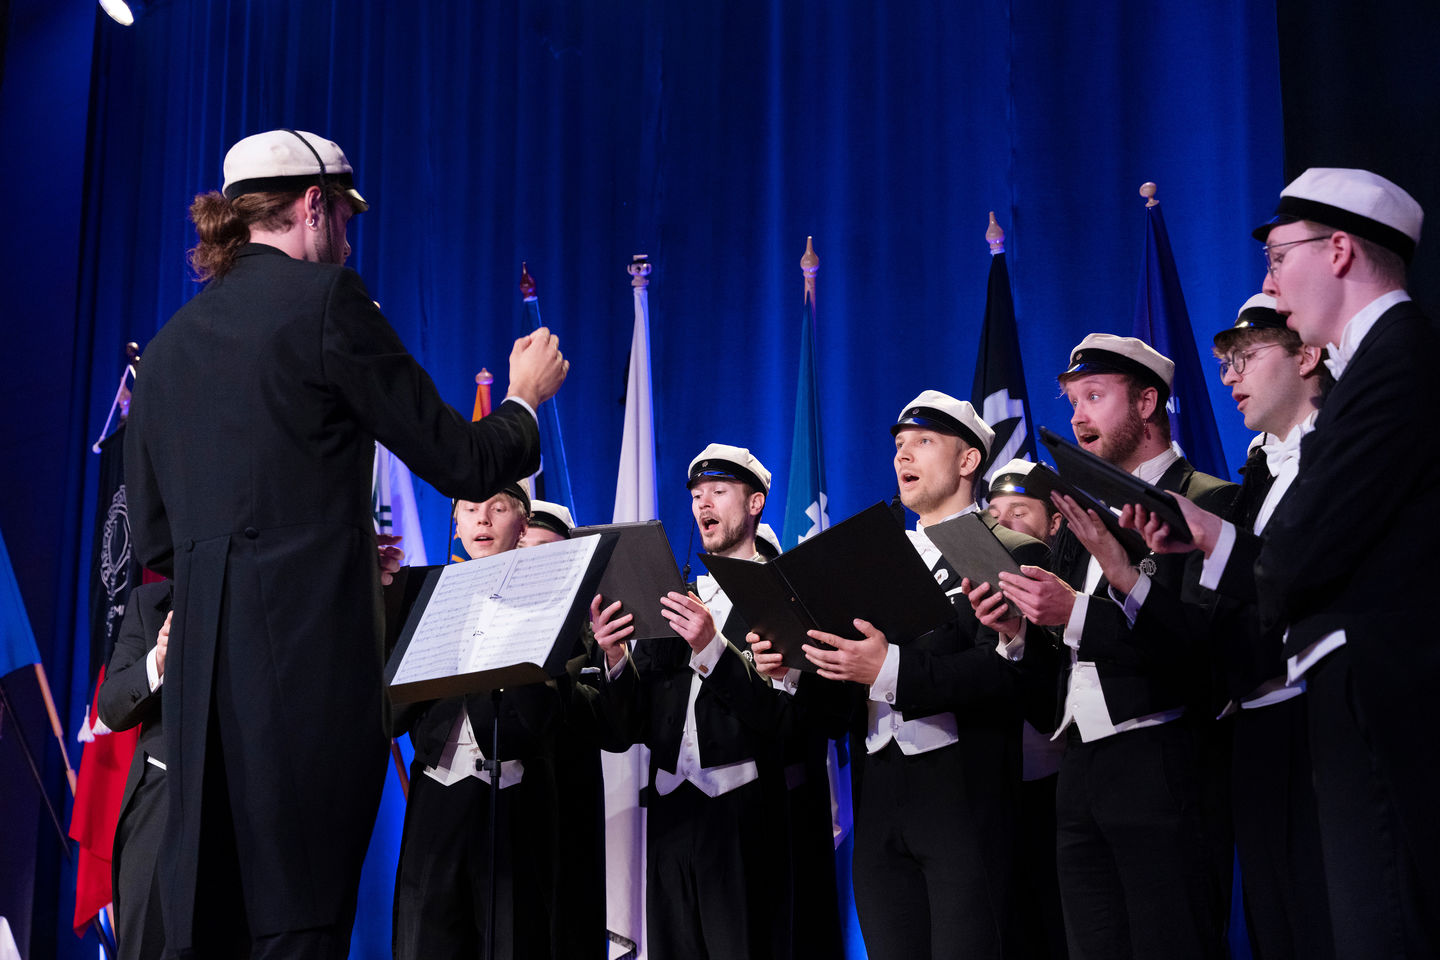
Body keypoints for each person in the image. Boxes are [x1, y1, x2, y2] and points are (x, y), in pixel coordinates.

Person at [124, 128, 567, 959]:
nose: (349, 241)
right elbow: (465, 463)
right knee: (299, 928)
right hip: (302, 685)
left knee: (212, 933)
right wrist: (524, 399)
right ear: (315, 207)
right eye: (345, 217)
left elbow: (156, 536)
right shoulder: (328, 302)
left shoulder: (171, 347)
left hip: (196, 701)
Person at [1126, 168, 1439, 959]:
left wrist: (1228, 550)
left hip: (1372, 684)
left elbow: (1302, 548)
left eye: (1277, 257)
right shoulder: (1379, 363)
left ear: (1338, 250)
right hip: (1345, 688)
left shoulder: (1395, 359)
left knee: (1379, 925)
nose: (1269, 282)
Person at [764, 391, 1047, 960]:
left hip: (964, 796)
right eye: (898, 446)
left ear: (969, 461)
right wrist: (794, 666)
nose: (904, 457)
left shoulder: (1009, 548)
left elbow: (1006, 674)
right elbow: (839, 694)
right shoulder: (871, 556)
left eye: (923, 443)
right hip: (880, 793)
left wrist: (888, 668)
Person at [996, 336, 1235, 960]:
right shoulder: (1082, 517)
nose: (1078, 417)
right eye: (1073, 400)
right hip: (1079, 768)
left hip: (1163, 760)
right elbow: (1067, 655)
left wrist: (1076, 611)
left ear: (1148, 401)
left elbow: (1195, 650)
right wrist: (1018, 633)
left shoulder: (1208, 502)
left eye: (1095, 397)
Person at [394, 485, 628, 959]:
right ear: (455, 524)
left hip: (515, 800)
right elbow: (392, 710)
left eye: (497, 509)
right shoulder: (423, 595)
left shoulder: (556, 607)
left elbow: (559, 717)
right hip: (436, 798)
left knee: (514, 939)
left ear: (521, 528)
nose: (482, 520)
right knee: (425, 939)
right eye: (470, 509)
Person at [591, 443, 792, 959]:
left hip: (742, 817)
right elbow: (622, 731)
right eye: (697, 494)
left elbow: (785, 722)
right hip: (670, 820)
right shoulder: (672, 597)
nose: (704, 504)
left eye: (719, 492)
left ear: (754, 504)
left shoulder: (781, 595)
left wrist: (711, 647)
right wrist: (615, 658)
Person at [985, 459, 1068, 960]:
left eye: (1020, 511)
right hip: (989, 792)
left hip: (1054, 790)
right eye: (994, 513)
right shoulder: (972, 588)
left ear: (1055, 523)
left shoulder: (1068, 589)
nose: (1005, 524)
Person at [97, 580, 174, 960]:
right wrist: (158, 659)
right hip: (163, 807)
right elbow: (110, 707)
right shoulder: (152, 602)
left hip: (253, 807)